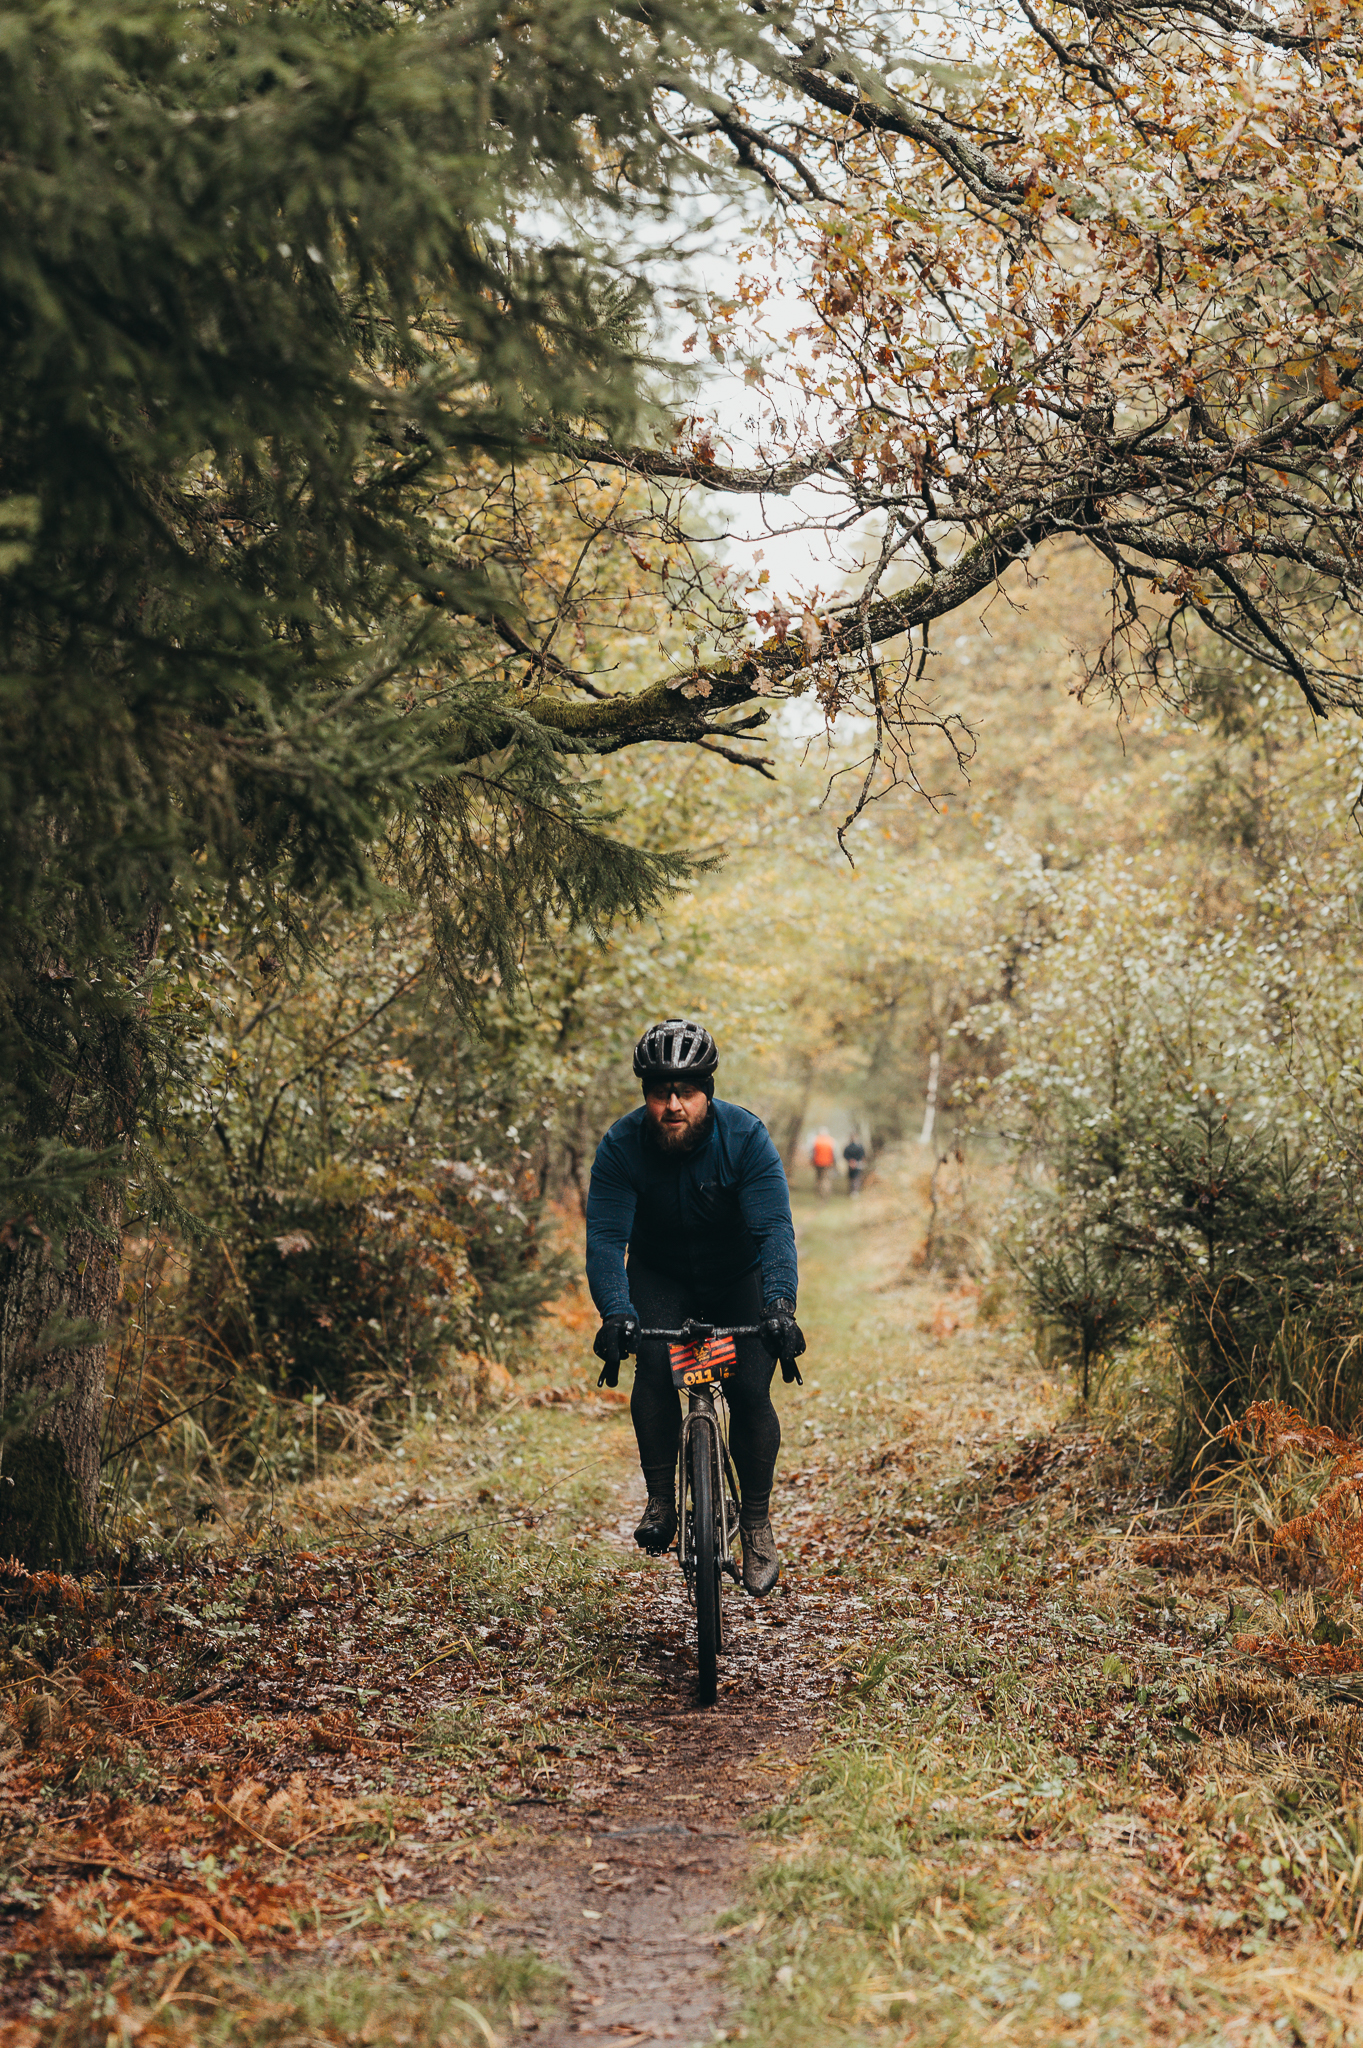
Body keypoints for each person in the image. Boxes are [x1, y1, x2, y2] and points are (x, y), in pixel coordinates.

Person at [585, 1019, 806, 1597]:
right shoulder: (621, 1146)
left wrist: (780, 1305)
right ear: (647, 1096)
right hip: (661, 1276)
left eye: (685, 1091)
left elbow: (774, 1229)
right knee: (653, 1372)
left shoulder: (745, 1137)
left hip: (738, 1277)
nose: (673, 1105)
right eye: (661, 1092)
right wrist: (615, 1311)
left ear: (707, 1091)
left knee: (750, 1390)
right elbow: (606, 1239)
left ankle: (755, 1523)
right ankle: (662, 1497)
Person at [810, 1127, 836, 1197]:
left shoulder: (816, 1140)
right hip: (828, 1163)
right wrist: (834, 1162)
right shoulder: (831, 1141)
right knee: (826, 1179)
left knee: (818, 1178)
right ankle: (825, 1192)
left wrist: (811, 1161)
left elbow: (812, 1152)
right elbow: (834, 1153)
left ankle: (819, 1192)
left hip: (817, 1163)